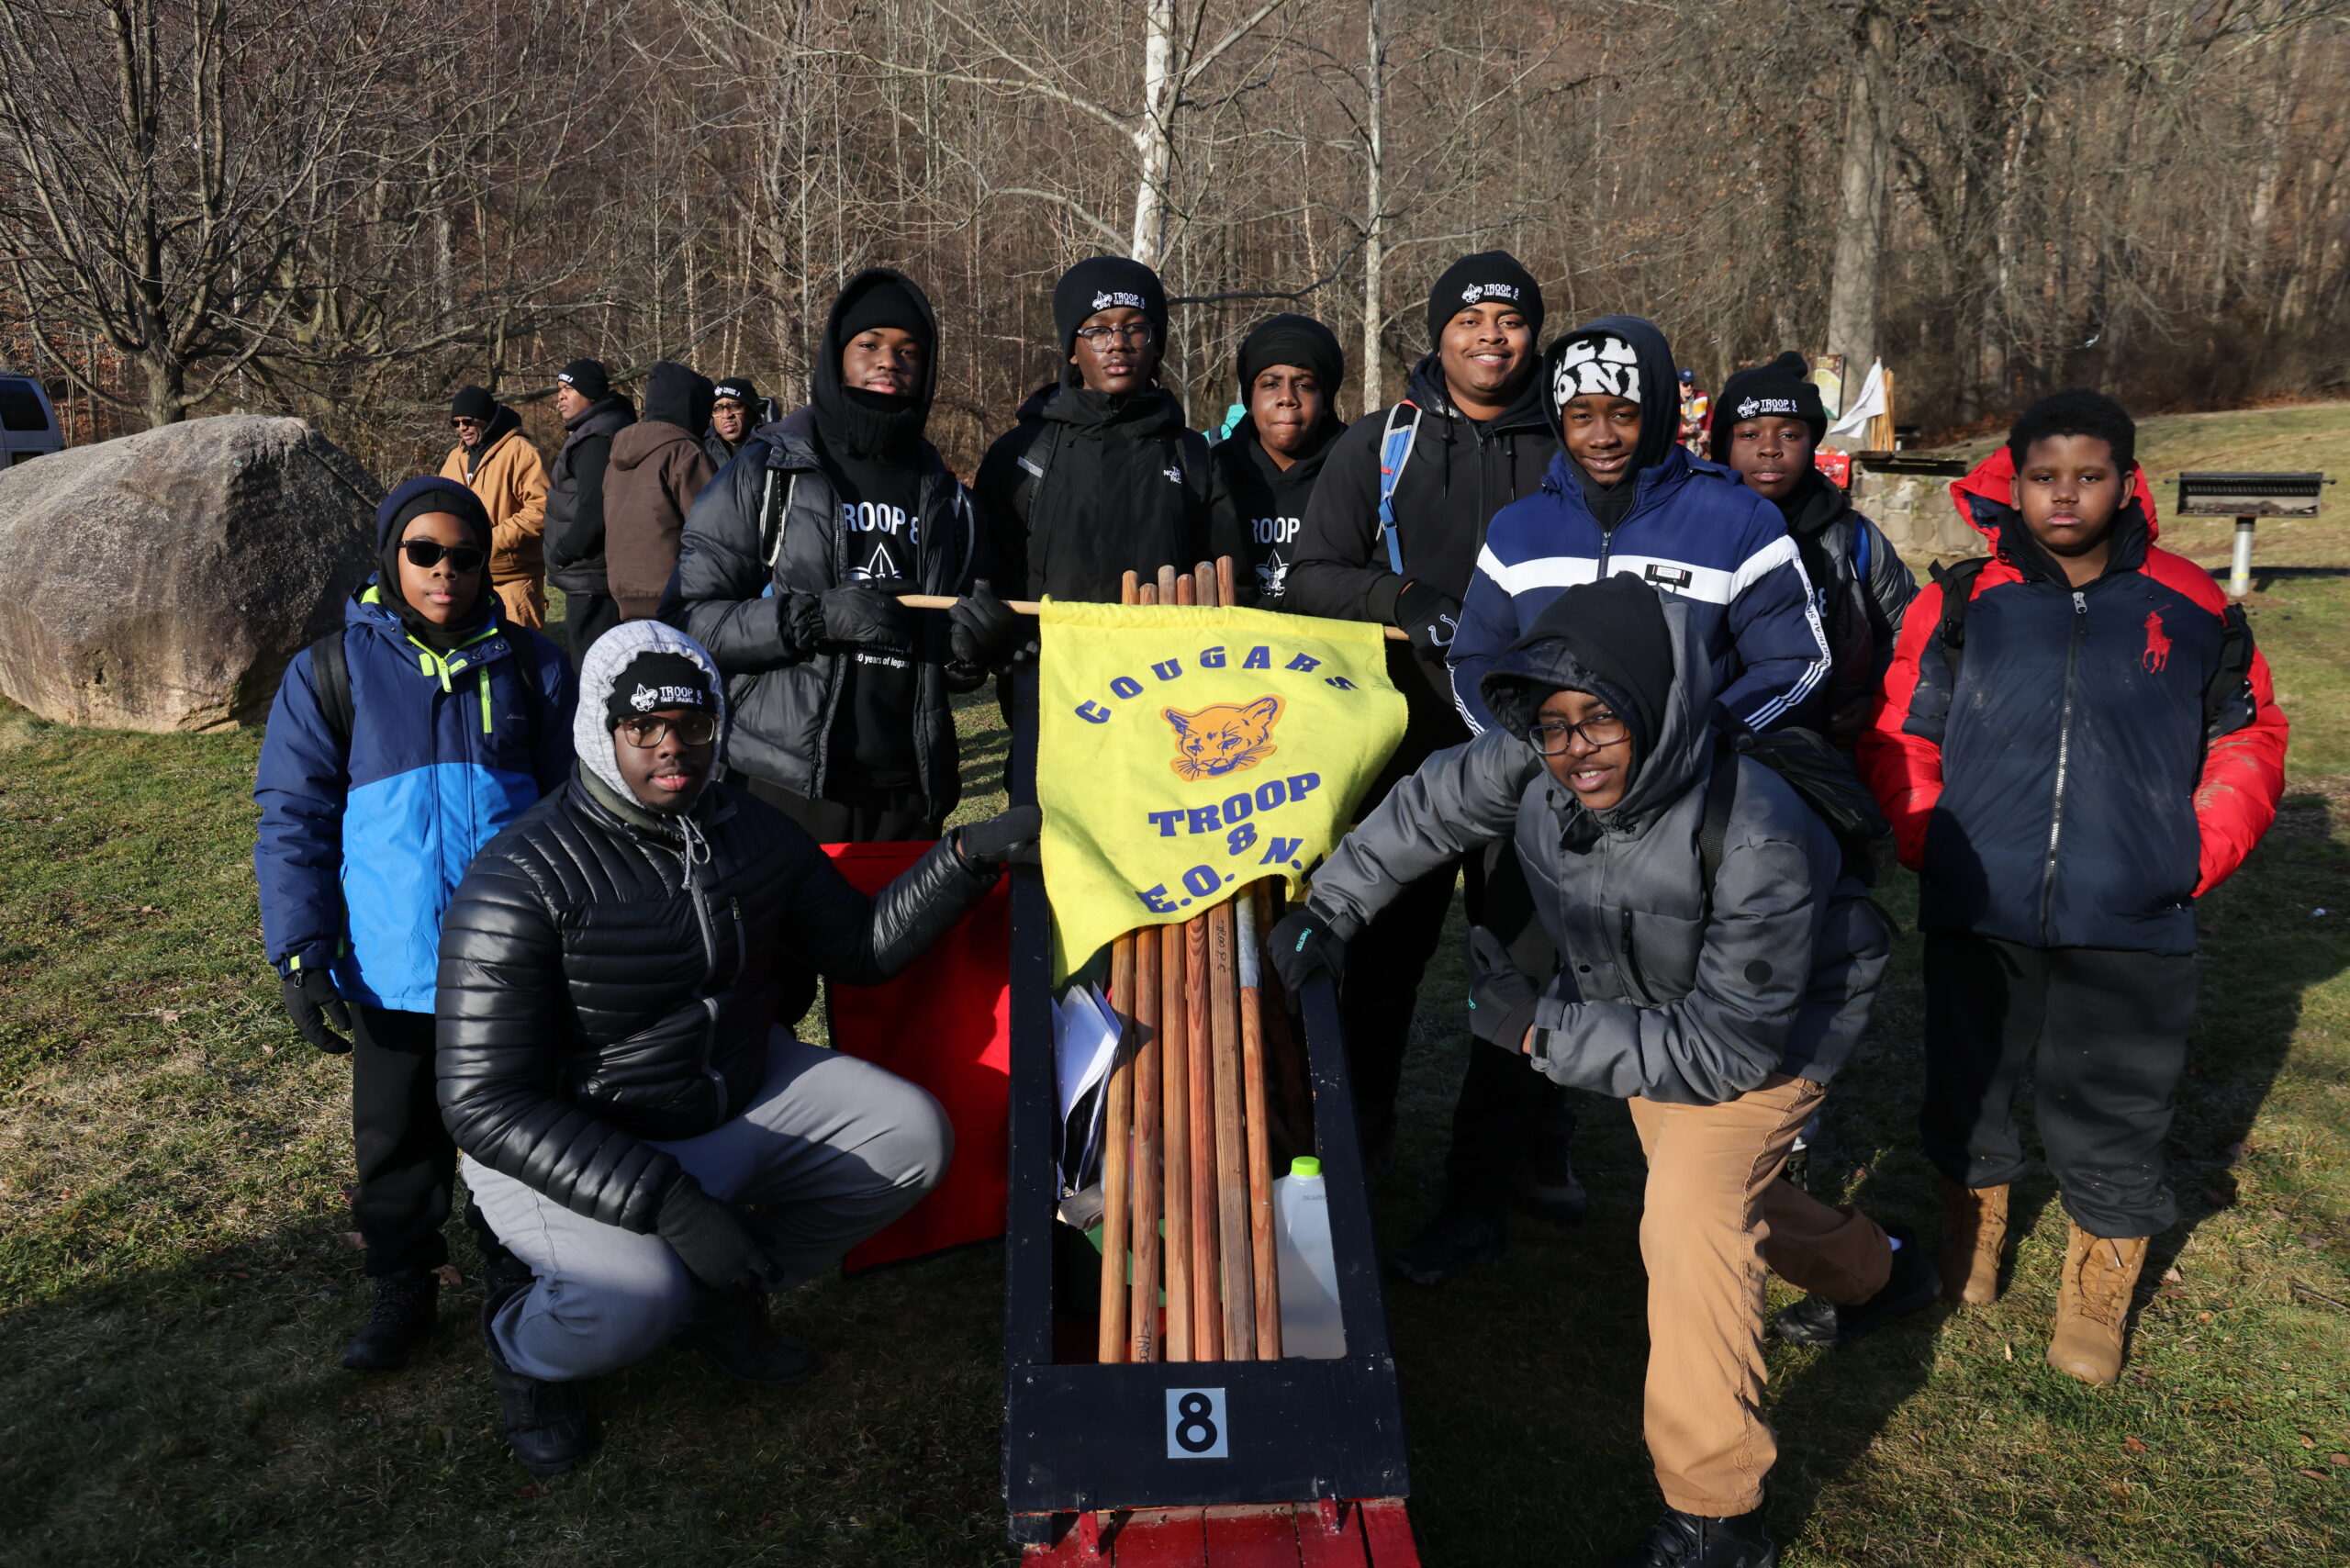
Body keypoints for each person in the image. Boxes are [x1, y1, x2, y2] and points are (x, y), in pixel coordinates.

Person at [1270, 575, 1930, 1568]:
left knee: (1688, 1218)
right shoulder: (1536, 762)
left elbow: (1728, 1049)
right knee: (1707, 1194)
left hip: (1773, 1033)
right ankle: (1880, 1270)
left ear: (1659, 707)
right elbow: (1433, 804)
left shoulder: (1756, 833)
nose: (1575, 749)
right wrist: (1332, 907)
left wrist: (1542, 1032)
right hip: (1646, 1007)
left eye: (1601, 719)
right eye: (1553, 725)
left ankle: (1716, 1519)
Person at [435, 620, 1042, 1474]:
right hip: (570, 1134)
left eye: (691, 726)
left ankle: (721, 1297)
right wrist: (672, 1206)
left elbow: (859, 949)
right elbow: (481, 1102)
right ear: (599, 733)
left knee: (912, 1138)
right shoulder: (519, 877)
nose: (670, 749)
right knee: (636, 1299)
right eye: (642, 729)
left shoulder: (751, 829)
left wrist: (965, 858)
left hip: (727, 1089)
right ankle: (523, 1344)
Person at [1862, 389, 2288, 1385]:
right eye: (2043, 477)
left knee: (2116, 1098)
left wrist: (2191, 852)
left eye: (2087, 476)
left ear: (2122, 480)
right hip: (1983, 895)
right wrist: (1928, 834)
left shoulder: (2191, 605)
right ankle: (1975, 1219)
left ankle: (2099, 1272)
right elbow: (1902, 728)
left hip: (2130, 910)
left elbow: (2247, 737)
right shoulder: (1961, 601)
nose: (2064, 496)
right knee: (1974, 1072)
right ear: (2012, 481)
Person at [1282, 250, 1567, 1283]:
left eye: (1510, 321)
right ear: (1439, 332)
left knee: (1521, 969)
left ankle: (1484, 1189)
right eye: (1471, 319)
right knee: (1383, 962)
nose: (1490, 337)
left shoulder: (1564, 447)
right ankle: (1354, 1153)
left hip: (1537, 753)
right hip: (1406, 748)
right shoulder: (1382, 444)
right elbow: (1311, 573)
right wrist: (1400, 603)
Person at [254, 476, 573, 1373]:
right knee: (395, 1141)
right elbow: (294, 817)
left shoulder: (536, 667)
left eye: (465, 556)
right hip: (390, 967)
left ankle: (518, 1266)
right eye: (424, 552)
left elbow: (574, 813)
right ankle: (404, 1281)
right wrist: (301, 950)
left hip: (510, 965)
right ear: (392, 556)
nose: (445, 572)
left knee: (515, 1128)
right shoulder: (331, 672)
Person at [664, 268, 1021, 843]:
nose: (889, 361)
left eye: (909, 350)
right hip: (781, 784)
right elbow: (687, 620)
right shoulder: (766, 470)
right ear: (838, 356)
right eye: (869, 345)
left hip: (907, 790)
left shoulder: (948, 497)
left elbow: (948, 653)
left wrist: (969, 651)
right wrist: (815, 618)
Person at [1448, 316, 1832, 748]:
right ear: (1559, 420)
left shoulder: (1740, 521)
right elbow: (1473, 658)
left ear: (1659, 411)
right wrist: (1523, 751)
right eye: (1581, 416)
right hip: (1544, 781)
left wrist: (1698, 742)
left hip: (1690, 785)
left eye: (1623, 414)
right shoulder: (1517, 530)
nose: (1602, 437)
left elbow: (1794, 665)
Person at [976, 255, 1241, 603]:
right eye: (1099, 331)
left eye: (1135, 328)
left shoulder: (1193, 460)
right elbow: (984, 582)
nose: (1118, 343)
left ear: (1157, 344)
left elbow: (1233, 588)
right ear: (1073, 348)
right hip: (1050, 657)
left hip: (1161, 657)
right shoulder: (1023, 456)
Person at [1710, 351, 1915, 745]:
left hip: (1829, 752)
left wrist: (1878, 698)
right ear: (1723, 443)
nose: (1770, 449)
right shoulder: (1691, 533)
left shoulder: (1854, 539)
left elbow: (1911, 632)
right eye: (1749, 434)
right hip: (1712, 749)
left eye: (1790, 434)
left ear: (1812, 443)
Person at [1207, 313, 1347, 610]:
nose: (1287, 398)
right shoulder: (1212, 471)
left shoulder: (1356, 468)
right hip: (1232, 651)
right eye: (1271, 384)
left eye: (1305, 385)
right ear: (1249, 398)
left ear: (1326, 402)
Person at [604, 361, 716, 622]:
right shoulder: (685, 452)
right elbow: (713, 530)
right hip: (675, 592)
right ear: (693, 405)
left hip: (623, 590)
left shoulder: (616, 458)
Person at [543, 358, 636, 666]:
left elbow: (595, 509)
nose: (561, 396)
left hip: (591, 577)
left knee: (593, 671)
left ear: (591, 394)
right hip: (595, 575)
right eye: (559, 389)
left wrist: (563, 552)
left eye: (568, 388)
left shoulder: (595, 438)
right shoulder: (604, 427)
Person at [438, 386, 550, 631]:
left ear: (486, 418)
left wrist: (490, 541)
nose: (461, 428)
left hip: (514, 580)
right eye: (455, 424)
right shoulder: (454, 459)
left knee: (521, 659)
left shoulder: (522, 452)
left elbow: (541, 510)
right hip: (466, 578)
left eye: (467, 421)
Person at [705, 375, 766, 469]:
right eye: (718, 408)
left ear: (751, 410)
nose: (726, 415)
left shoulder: (773, 448)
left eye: (734, 406)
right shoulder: (701, 453)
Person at [1677, 367, 1710, 454]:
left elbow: (1711, 418)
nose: (1689, 388)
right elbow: (1665, 427)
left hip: (1701, 447)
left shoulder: (1703, 396)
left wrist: (1707, 432)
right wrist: (1681, 430)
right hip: (1679, 449)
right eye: (1685, 385)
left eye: (1692, 384)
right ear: (1678, 384)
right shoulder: (1671, 402)